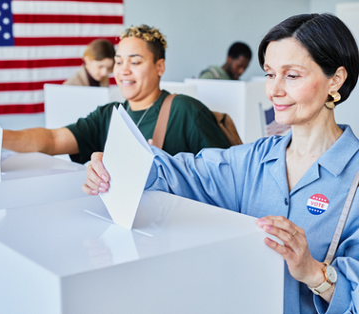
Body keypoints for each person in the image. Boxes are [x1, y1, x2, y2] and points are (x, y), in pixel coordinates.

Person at [83, 14, 359, 313]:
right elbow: (181, 173)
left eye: (291, 76)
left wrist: (313, 272)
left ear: (336, 79)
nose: (274, 90)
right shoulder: (254, 159)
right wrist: (116, 163)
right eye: (269, 74)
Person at [0, 25, 231, 165]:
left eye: (135, 62)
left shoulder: (186, 110)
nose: (123, 71)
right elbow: (53, 139)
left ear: (160, 67)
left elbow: (226, 172)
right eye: (119, 61)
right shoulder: (108, 115)